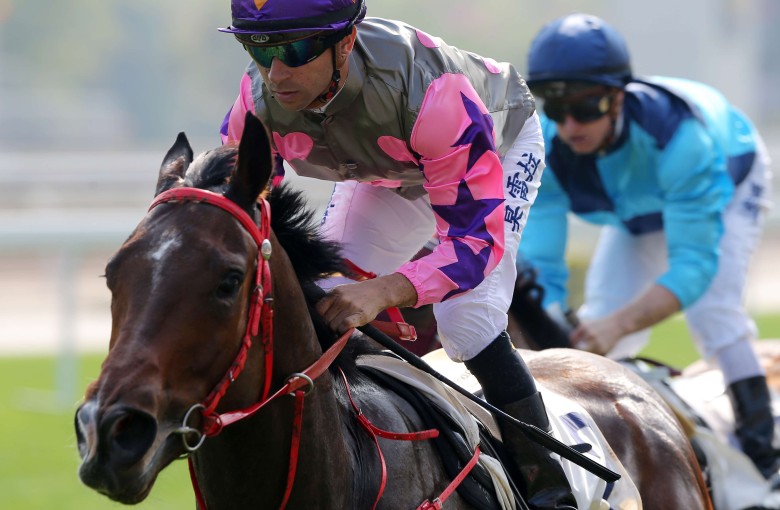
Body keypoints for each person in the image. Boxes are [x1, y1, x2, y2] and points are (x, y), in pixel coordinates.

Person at [217, 1, 575, 507]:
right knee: (329, 296)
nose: (275, 73)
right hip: (388, 170)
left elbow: (471, 245)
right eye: (256, 49)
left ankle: (550, 488)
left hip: (492, 144)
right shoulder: (254, 103)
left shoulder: (433, 94)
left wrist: (385, 291)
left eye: (294, 50)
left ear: (345, 41)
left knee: (467, 319)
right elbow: (247, 213)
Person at [518, 12, 779, 484]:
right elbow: (542, 270)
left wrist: (618, 324)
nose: (571, 126)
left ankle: (767, 452)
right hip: (642, 203)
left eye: (587, 106)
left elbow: (693, 269)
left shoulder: (683, 143)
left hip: (727, 179)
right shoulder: (547, 149)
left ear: (618, 96)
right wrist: (553, 328)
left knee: (712, 311)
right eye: (556, 110)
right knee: (602, 311)